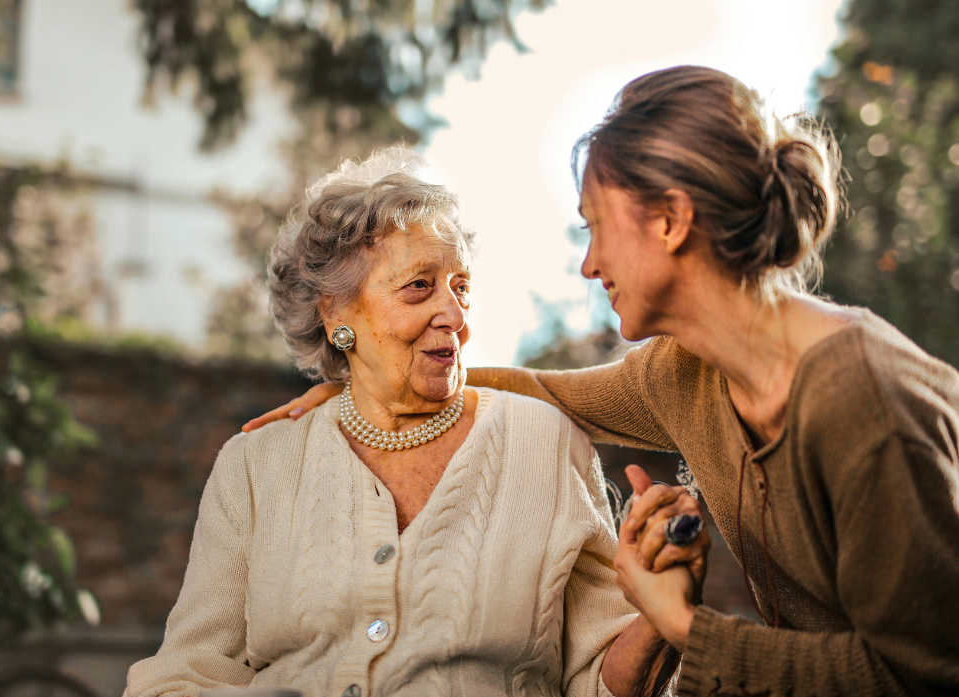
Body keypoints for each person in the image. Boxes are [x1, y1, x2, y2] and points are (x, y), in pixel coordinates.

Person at [245, 67, 959, 696]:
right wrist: (372, 385)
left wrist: (682, 623)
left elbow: (923, 675)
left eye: (595, 226)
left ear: (671, 221)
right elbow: (546, 391)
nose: (589, 264)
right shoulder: (684, 373)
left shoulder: (863, 403)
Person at [125, 149, 708, 697]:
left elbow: (600, 683)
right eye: (419, 287)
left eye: (462, 288)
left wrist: (661, 617)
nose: (454, 315)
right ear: (335, 311)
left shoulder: (546, 444)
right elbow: (184, 676)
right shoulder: (255, 465)